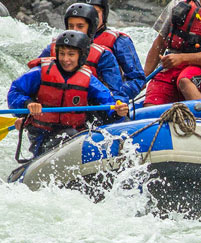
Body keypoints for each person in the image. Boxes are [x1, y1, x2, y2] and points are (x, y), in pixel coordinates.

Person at [8, 30, 129, 158]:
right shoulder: (39, 73)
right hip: (42, 135)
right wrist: (29, 104)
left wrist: (117, 112)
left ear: (81, 56)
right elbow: (15, 92)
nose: (66, 59)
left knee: (72, 134)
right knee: (69, 135)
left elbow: (107, 102)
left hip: (75, 133)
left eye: (71, 54)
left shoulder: (88, 79)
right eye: (62, 54)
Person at [34, 2, 127, 103]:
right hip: (49, 110)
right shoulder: (51, 49)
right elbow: (26, 86)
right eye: (71, 26)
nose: (75, 30)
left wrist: (117, 109)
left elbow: (117, 93)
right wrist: (29, 103)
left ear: (91, 28)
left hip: (86, 109)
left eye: (80, 26)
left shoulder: (104, 56)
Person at [77, 0, 145, 100]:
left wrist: (114, 97)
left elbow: (137, 79)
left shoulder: (120, 41)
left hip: (107, 100)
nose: (90, 16)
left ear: (104, 14)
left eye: (95, 12)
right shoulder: (65, 41)